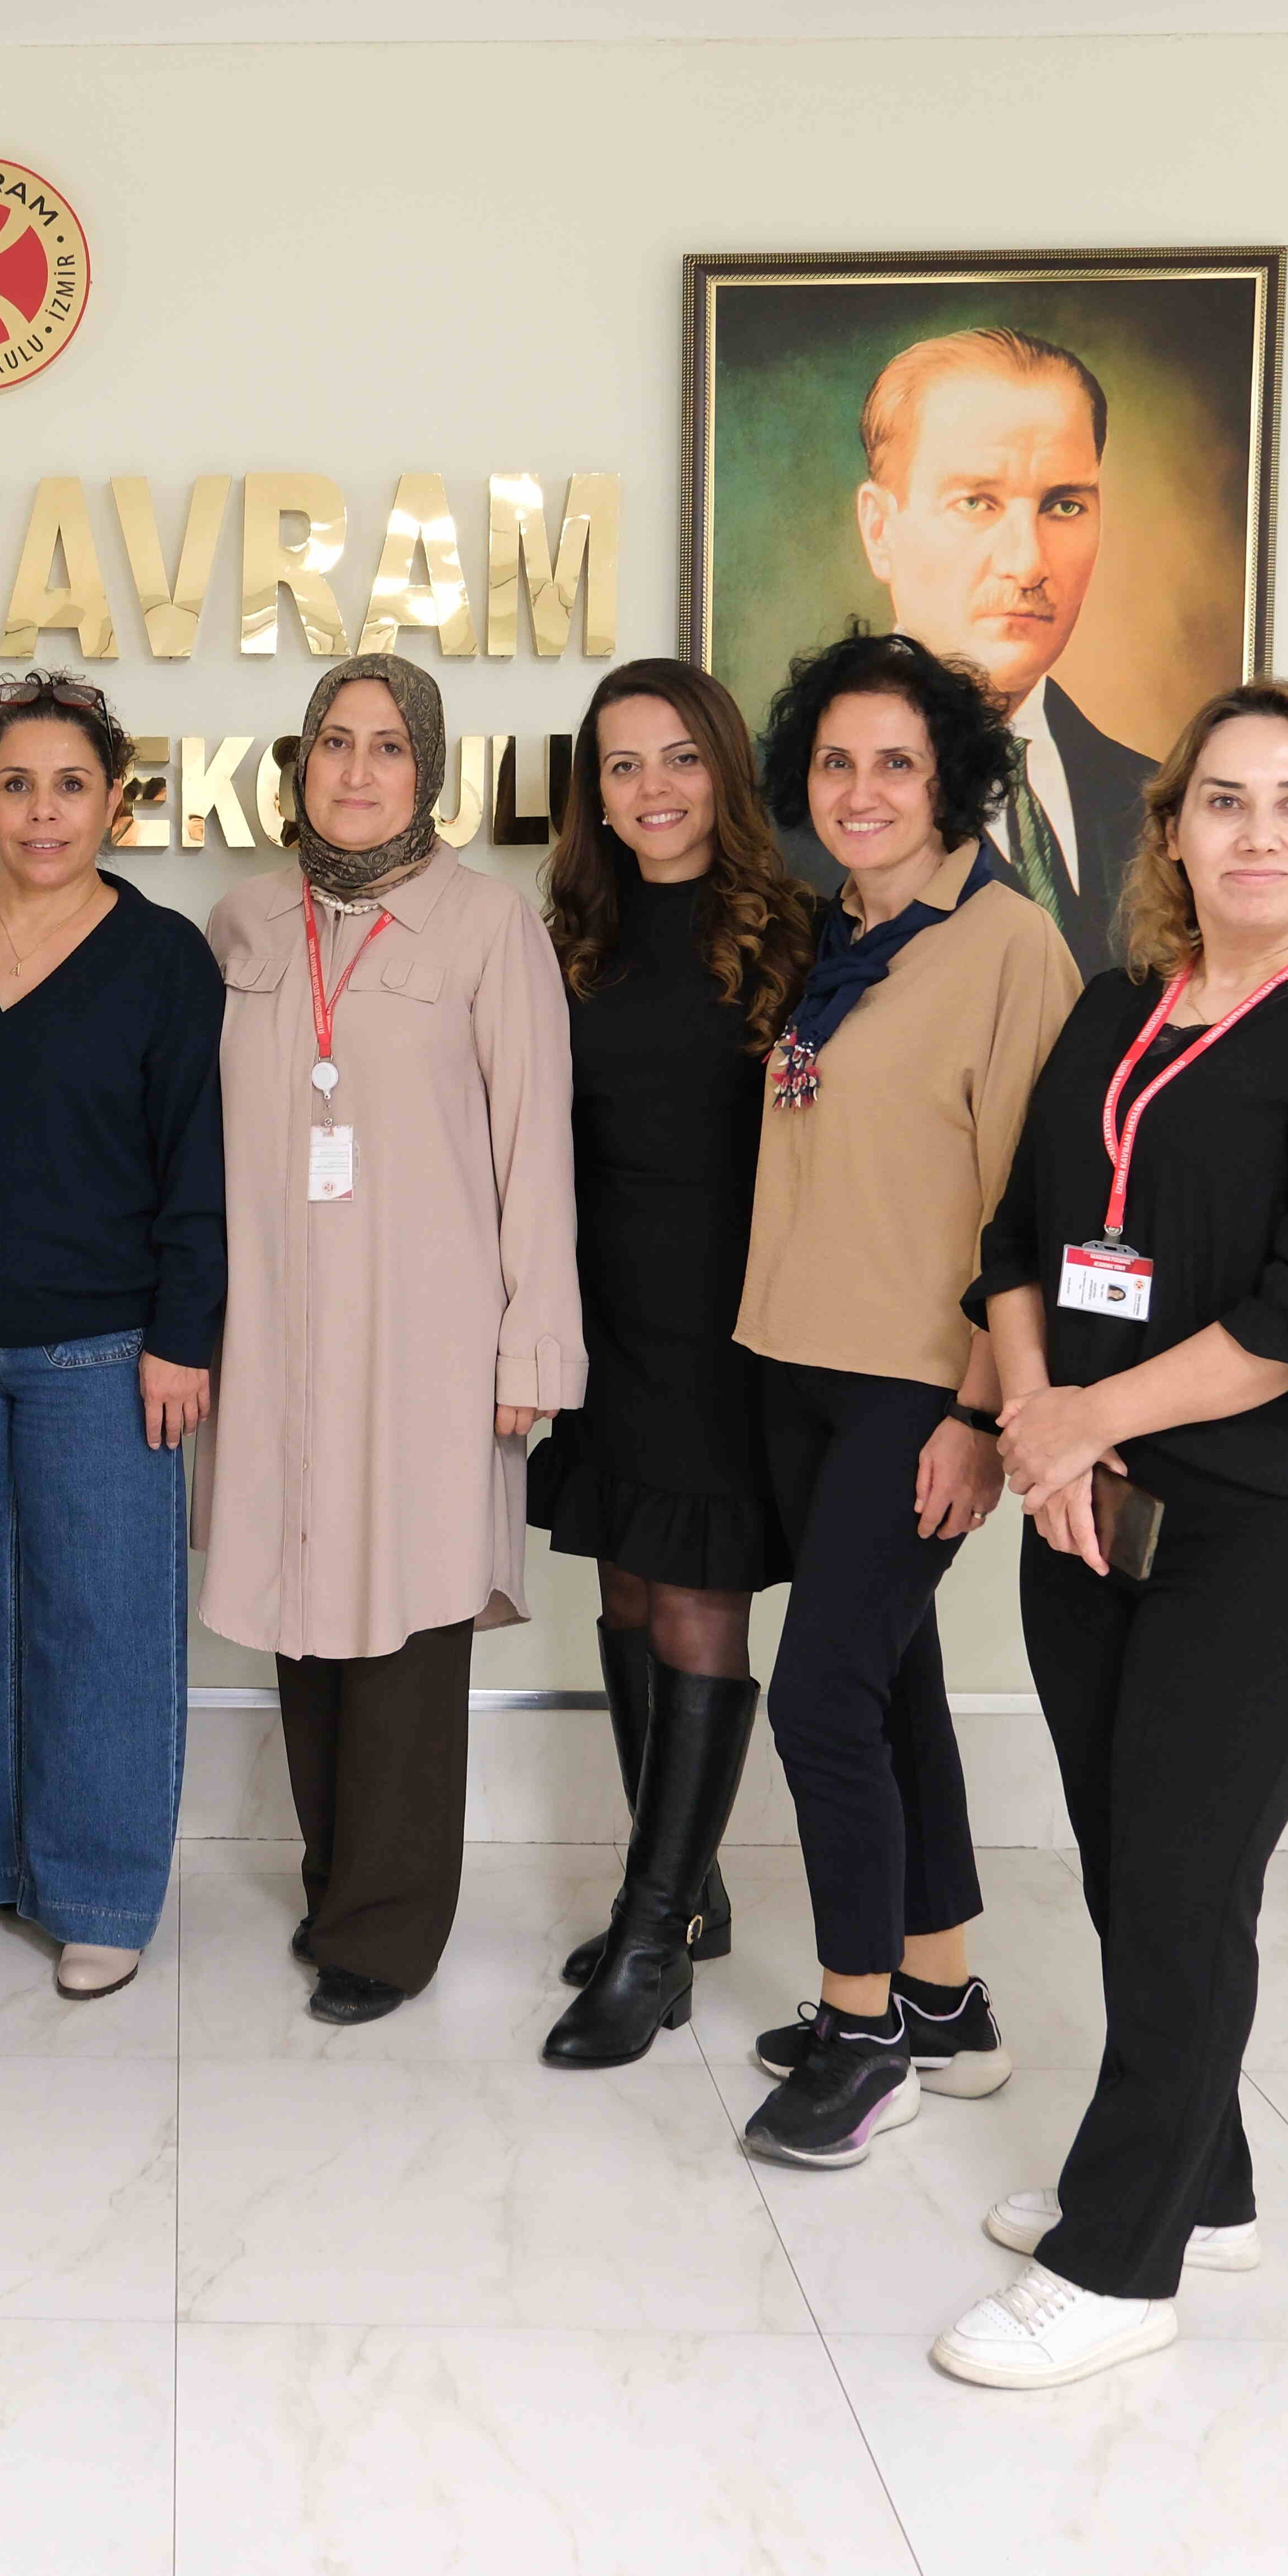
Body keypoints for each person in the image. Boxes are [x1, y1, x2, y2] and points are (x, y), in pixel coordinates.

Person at [932, 677, 1288, 2390]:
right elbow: (1016, 1242)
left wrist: (1083, 1421)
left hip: (1273, 1534)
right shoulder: (1111, 1015)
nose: (1258, 833)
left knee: (1176, 1878)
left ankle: (1119, 2260)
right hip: (1088, 1514)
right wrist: (1041, 1431)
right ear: (1172, 834)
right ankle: (1201, 2182)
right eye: (1223, 800)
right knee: (1125, 1865)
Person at [729, 634, 1079, 2154]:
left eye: (895, 763)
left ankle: (860, 2035)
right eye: (835, 762)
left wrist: (980, 1413)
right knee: (888, 1684)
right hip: (798, 1368)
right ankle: (942, 1999)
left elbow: (1035, 1207)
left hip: (915, 1389)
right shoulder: (835, 935)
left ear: (951, 780)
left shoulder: (1008, 945)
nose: (860, 790)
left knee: (818, 1697)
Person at [204, 651, 581, 2027]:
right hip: (274, 1337)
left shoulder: (489, 927)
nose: (357, 770)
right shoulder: (243, 924)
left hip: (430, 1345)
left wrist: (533, 1351)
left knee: (410, 1618)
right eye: (334, 742)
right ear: (299, 762)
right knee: (301, 1604)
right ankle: (334, 1885)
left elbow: (537, 1150)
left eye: (388, 747)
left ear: (428, 771)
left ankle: (388, 1930)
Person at [0, 671, 226, 2002]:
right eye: (18, 784)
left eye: (71, 785)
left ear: (113, 803)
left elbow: (197, 1162)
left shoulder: (163, 958)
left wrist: (185, 1337)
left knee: (105, 1626)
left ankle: (98, 1894)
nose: (42, 811)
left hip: (107, 1354)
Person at [524, 659, 809, 2066]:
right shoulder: (570, 933)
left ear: (725, 771)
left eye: (680, 757)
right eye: (623, 764)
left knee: (697, 1600)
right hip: (605, 1316)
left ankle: (650, 1942)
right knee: (629, 1588)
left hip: (730, 1326)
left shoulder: (794, 933)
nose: (653, 789)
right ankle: (687, 1889)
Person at [791, 327, 1157, 978]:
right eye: (976, 502)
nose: (1027, 562)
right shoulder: (771, 830)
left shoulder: (1157, 801)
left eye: (1064, 505)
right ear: (880, 529)